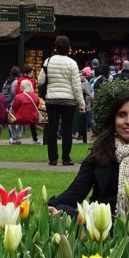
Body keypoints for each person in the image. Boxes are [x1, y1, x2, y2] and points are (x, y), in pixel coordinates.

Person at [48, 91, 129, 234]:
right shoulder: (98, 155)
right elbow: (75, 193)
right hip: (100, 225)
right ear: (114, 119)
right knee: (62, 212)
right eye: (122, 115)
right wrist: (52, 206)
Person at [38, 35, 85, 166]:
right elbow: (76, 86)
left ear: (55, 48)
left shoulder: (48, 61)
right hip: (68, 100)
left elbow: (41, 80)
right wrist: (82, 104)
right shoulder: (72, 63)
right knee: (67, 129)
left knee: (52, 128)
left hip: (52, 99)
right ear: (69, 49)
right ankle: (66, 158)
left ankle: (52, 158)